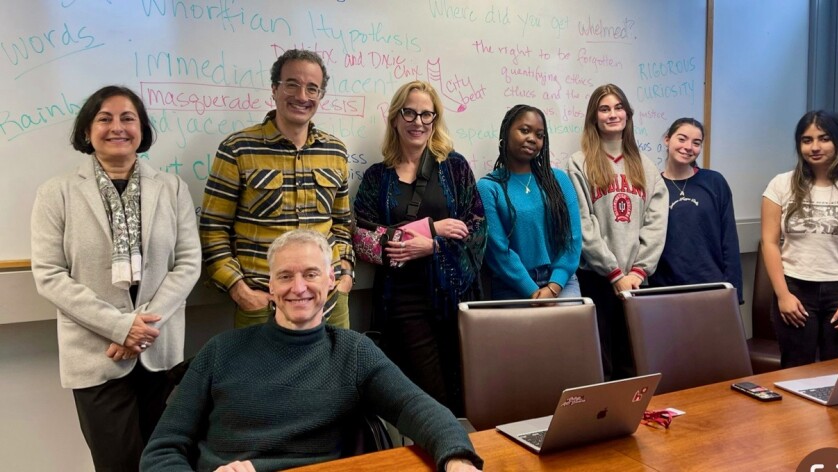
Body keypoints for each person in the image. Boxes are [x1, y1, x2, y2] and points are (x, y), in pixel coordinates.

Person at [140, 229, 483, 472]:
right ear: (270, 286)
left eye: (310, 274)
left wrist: (457, 459)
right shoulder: (220, 351)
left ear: (330, 280)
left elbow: (418, 408)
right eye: (285, 276)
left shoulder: (353, 352)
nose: (299, 287)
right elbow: (162, 450)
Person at [30, 85, 201, 472]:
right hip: (97, 354)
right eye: (104, 118)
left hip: (160, 354)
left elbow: (189, 262)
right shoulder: (56, 193)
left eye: (128, 118)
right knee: (117, 463)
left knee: (165, 460)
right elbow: (50, 274)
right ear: (87, 130)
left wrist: (142, 328)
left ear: (142, 128)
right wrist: (120, 327)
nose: (117, 127)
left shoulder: (172, 188)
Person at [353, 80, 486, 415]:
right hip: (402, 303)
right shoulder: (376, 178)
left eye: (427, 114)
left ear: (435, 120)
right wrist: (430, 227)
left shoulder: (454, 168)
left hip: (454, 299)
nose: (418, 122)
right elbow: (364, 239)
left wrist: (433, 247)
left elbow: (477, 228)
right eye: (409, 112)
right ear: (395, 118)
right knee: (430, 399)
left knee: (467, 395)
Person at [199, 49, 354, 329]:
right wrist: (239, 289)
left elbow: (342, 224)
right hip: (263, 305)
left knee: (336, 374)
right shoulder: (238, 149)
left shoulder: (335, 151)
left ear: (320, 95)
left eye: (312, 88)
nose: (302, 96)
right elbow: (213, 229)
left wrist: (345, 275)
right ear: (274, 89)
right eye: (292, 84)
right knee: (259, 374)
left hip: (328, 301)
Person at [565, 84, 669, 380]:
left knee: (634, 361)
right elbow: (584, 223)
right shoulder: (578, 163)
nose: (613, 114)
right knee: (601, 363)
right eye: (604, 108)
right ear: (594, 117)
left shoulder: (646, 167)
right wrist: (613, 273)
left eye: (618, 107)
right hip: (598, 278)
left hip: (637, 280)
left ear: (628, 113)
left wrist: (637, 272)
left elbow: (656, 223)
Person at [761, 110, 838, 368]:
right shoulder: (781, 185)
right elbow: (769, 242)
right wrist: (783, 295)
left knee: (837, 373)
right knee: (795, 372)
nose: (814, 147)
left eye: (824, 138)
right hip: (795, 290)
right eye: (806, 140)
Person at [477, 104, 581, 300]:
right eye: (524, 130)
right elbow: (498, 251)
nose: (532, 138)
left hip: (561, 282)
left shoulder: (558, 180)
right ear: (506, 132)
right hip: (512, 286)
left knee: (570, 330)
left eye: (539, 135)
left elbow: (572, 240)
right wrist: (532, 291)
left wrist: (553, 287)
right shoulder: (488, 188)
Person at [648, 118, 744, 302]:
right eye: (682, 139)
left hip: (711, 287)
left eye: (696, 143)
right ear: (667, 140)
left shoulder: (715, 182)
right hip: (664, 290)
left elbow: (729, 240)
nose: (688, 147)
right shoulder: (652, 187)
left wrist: (734, 292)